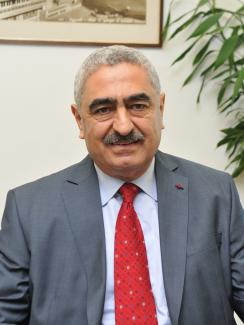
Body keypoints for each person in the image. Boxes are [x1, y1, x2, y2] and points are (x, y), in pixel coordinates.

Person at [0, 45, 243, 325]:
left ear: (160, 109)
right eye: (104, 110)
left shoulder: (215, 194)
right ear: (79, 120)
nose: (124, 126)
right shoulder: (29, 210)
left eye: (138, 106)